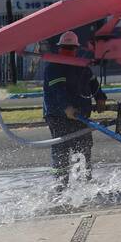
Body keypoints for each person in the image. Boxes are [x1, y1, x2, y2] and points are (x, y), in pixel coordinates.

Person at [41, 31, 106, 191]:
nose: (69, 51)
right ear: (60, 48)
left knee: (83, 151)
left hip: (81, 117)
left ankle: (84, 186)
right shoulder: (54, 67)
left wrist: (100, 98)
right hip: (59, 117)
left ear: (76, 49)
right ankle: (60, 188)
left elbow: (93, 84)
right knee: (61, 152)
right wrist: (66, 108)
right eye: (66, 48)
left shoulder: (81, 66)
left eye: (71, 48)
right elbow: (58, 89)